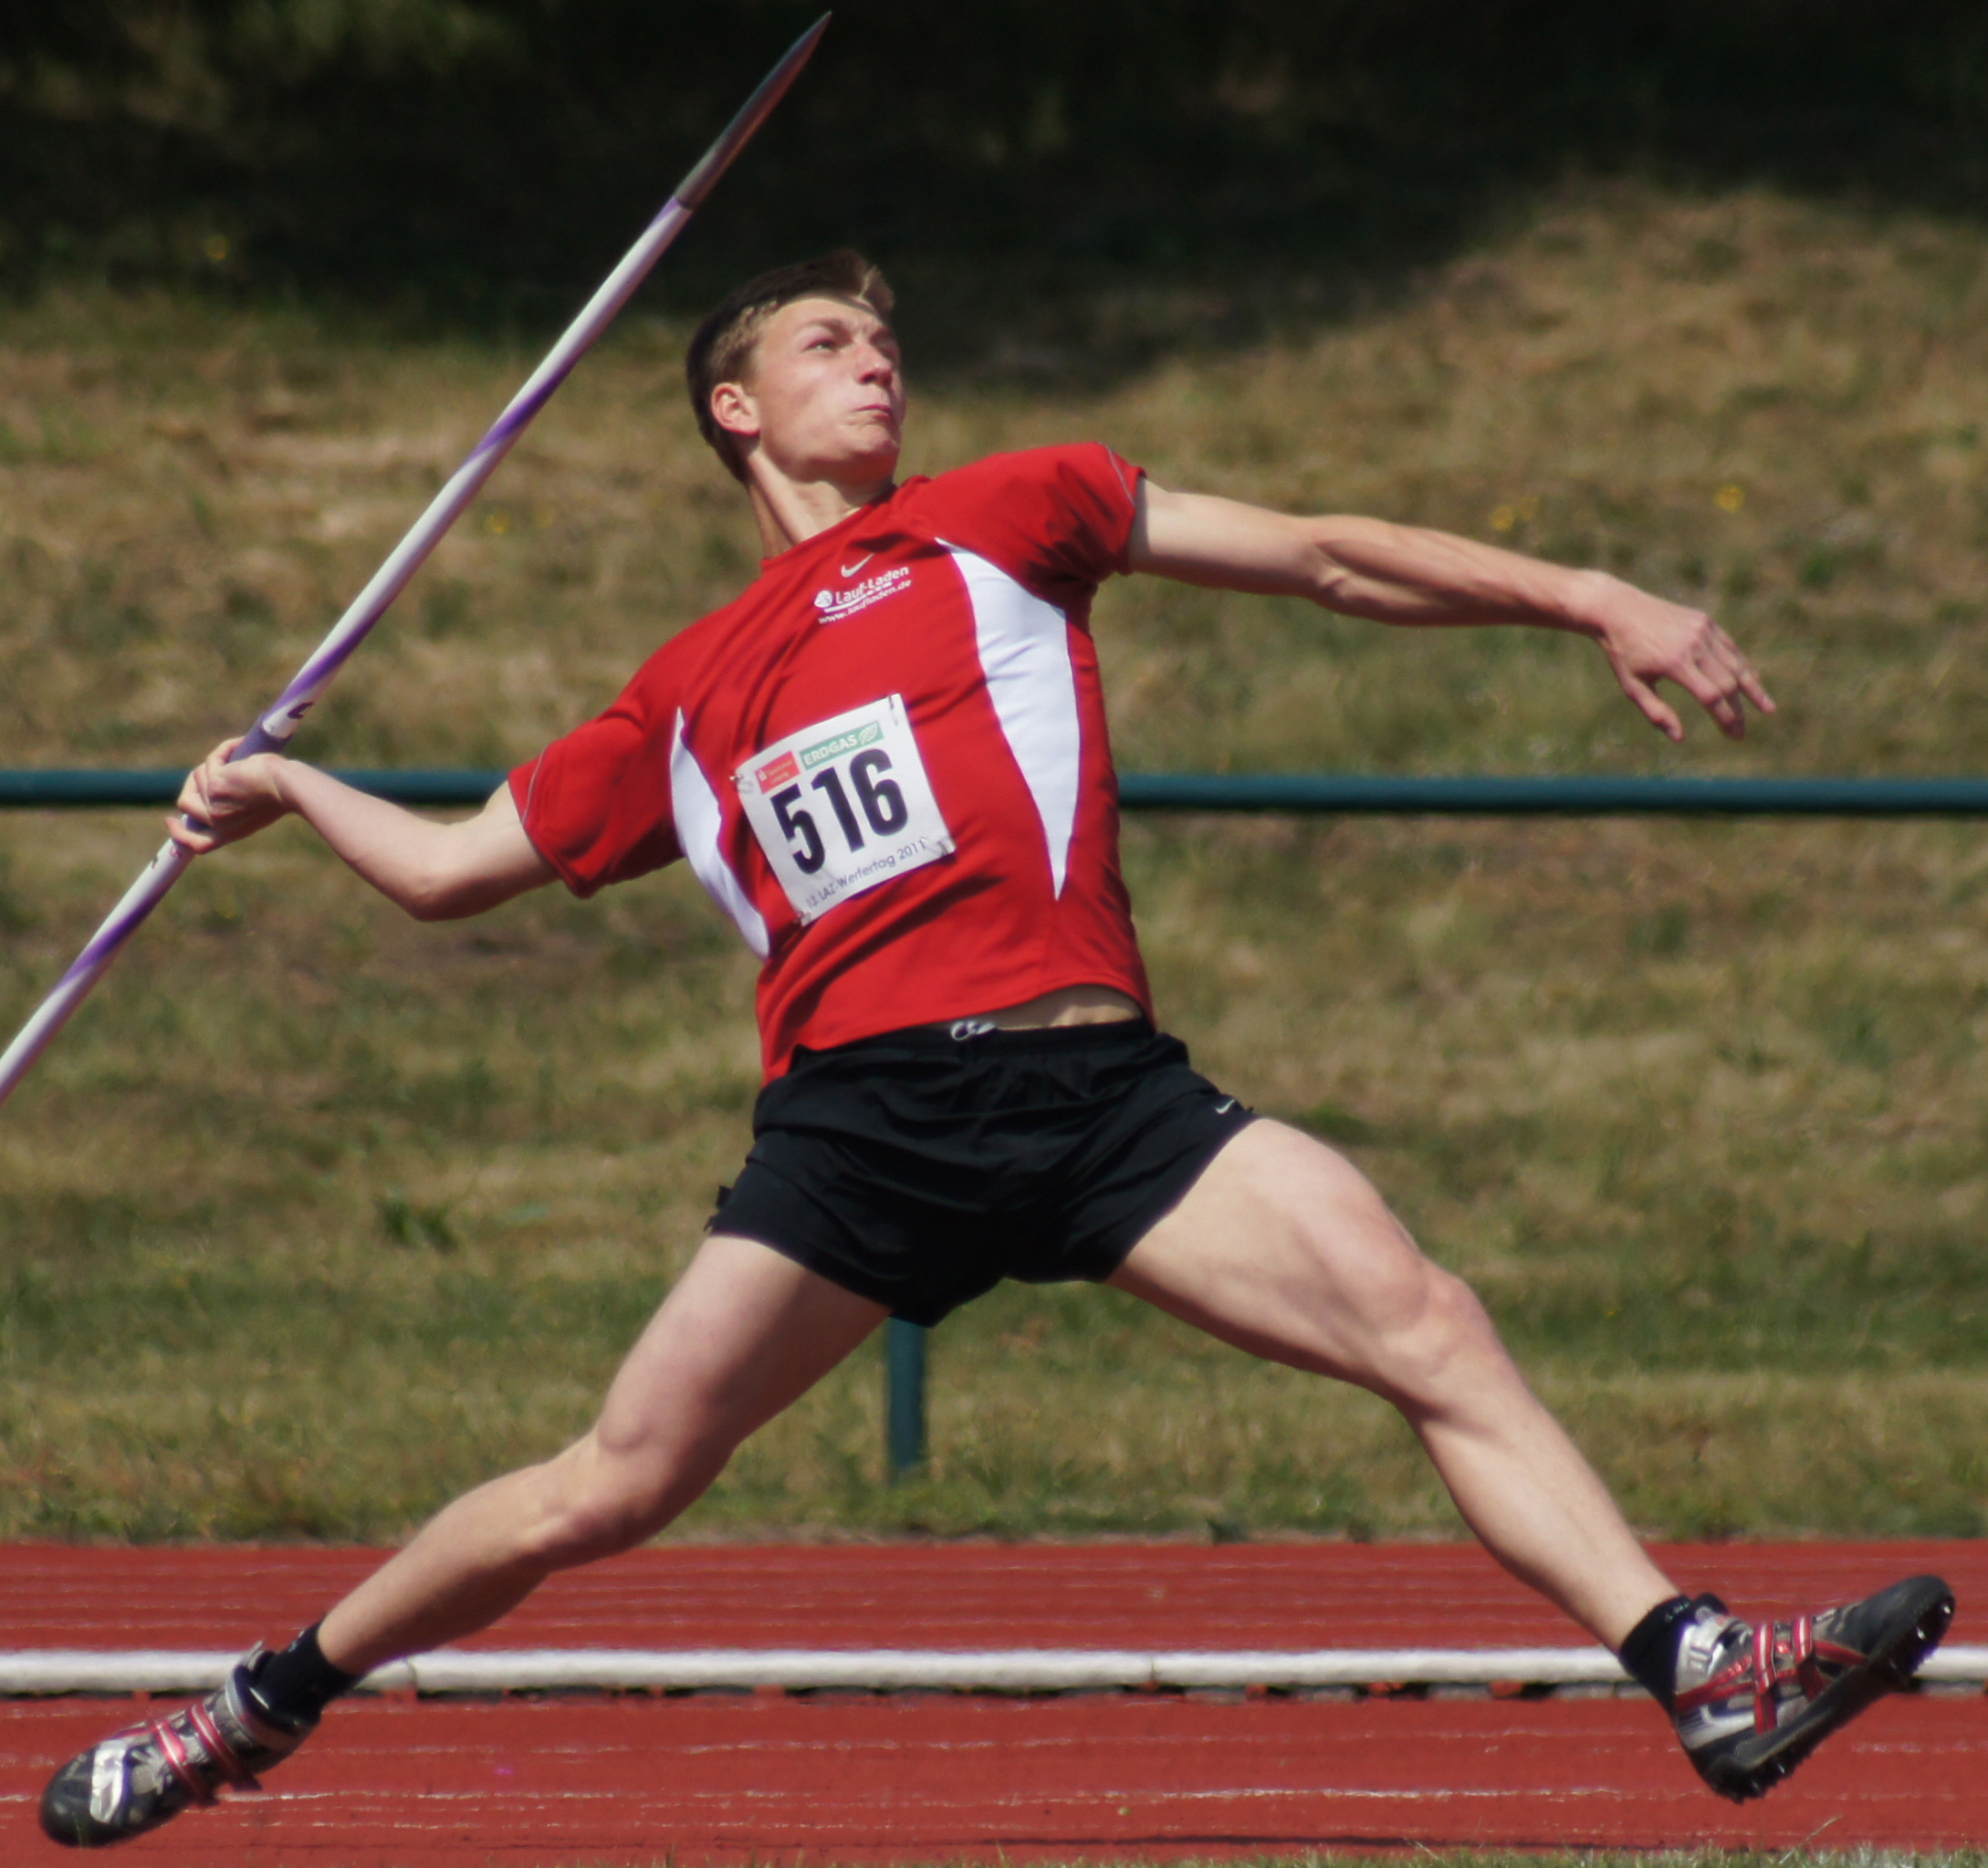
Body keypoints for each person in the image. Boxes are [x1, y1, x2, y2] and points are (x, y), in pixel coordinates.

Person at [42, 251, 1951, 1848]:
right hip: (861, 1131)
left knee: (1427, 1321)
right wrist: (287, 784)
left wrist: (1588, 591)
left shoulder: (1008, 513)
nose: (876, 364)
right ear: (735, 411)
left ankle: (1702, 1671)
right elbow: (461, 867)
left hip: (1097, 1088)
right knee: (602, 1489)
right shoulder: (683, 697)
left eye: (887, 343)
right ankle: (252, 1710)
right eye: (825, 344)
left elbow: (1322, 559)